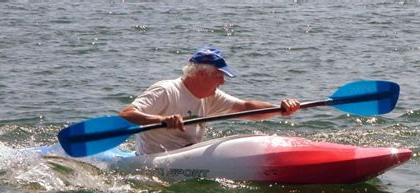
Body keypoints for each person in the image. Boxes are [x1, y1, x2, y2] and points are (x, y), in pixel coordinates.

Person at [120, 47, 300, 154]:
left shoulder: (211, 96)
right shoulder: (167, 90)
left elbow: (245, 107)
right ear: (200, 74)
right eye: (218, 76)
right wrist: (161, 120)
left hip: (187, 154)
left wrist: (279, 109)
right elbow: (127, 113)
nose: (222, 81)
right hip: (154, 159)